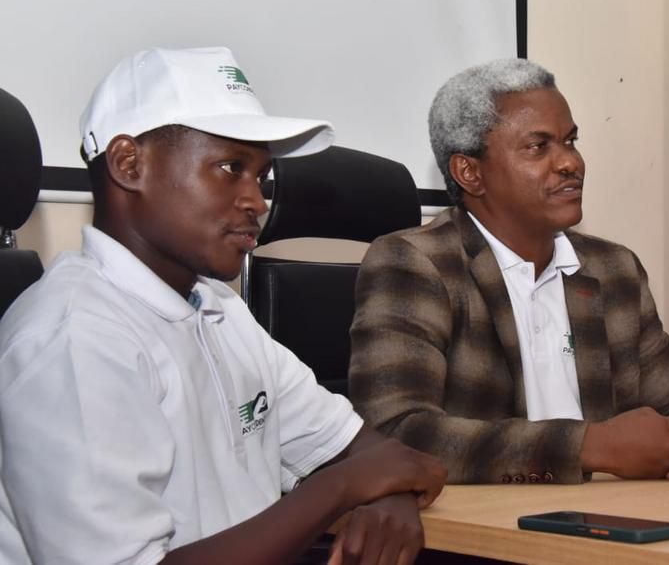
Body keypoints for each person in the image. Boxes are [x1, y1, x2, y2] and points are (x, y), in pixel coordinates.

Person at [0, 47, 446, 565]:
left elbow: (368, 451)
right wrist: (344, 489)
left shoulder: (218, 310)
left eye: (261, 177)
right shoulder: (72, 341)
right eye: (230, 167)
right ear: (129, 164)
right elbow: (355, 471)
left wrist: (385, 492)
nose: (257, 200)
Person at [349, 59, 669, 484]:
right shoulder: (416, 264)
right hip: (483, 535)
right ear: (470, 172)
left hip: (611, 519)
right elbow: (397, 432)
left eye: (570, 141)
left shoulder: (614, 270)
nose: (570, 163)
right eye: (539, 147)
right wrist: (592, 446)